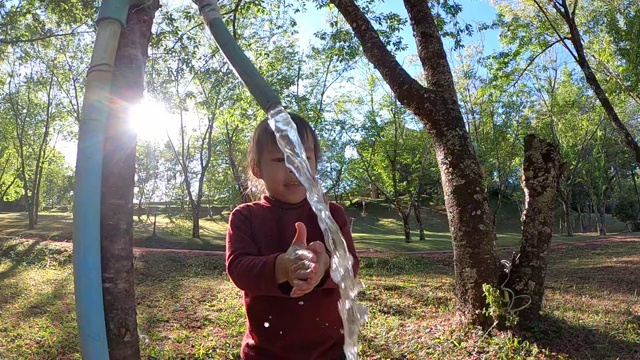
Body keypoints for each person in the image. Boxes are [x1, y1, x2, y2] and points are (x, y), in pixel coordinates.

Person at [225, 112, 359, 360]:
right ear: (257, 169)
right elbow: (239, 268)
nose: (294, 167)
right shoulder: (246, 216)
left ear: (315, 163)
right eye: (280, 158)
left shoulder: (332, 214)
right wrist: (282, 267)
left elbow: (350, 264)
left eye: (304, 157)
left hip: (330, 352)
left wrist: (324, 267)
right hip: (266, 353)